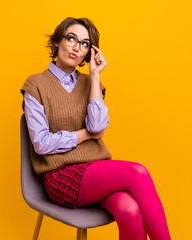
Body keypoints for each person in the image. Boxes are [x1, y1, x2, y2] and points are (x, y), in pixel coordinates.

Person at [21, 17, 172, 240]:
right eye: (71, 38)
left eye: (84, 44)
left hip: (96, 171)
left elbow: (98, 126)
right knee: (137, 173)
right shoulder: (35, 85)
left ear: (89, 53)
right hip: (60, 175)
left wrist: (94, 77)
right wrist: (84, 135)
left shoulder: (92, 83)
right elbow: (42, 144)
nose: (75, 47)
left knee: (129, 209)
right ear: (56, 42)